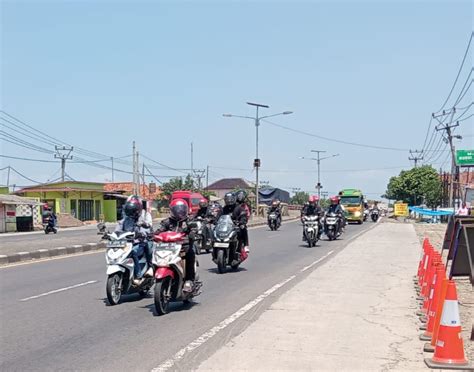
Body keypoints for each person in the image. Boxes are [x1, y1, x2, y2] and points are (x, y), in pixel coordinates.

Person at [157, 198, 196, 292]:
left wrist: (192, 233)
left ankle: (189, 280)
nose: (179, 212)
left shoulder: (188, 221)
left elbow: (194, 230)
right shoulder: (168, 221)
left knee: (190, 254)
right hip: (168, 247)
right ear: (172, 210)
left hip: (184, 246)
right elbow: (160, 230)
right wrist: (153, 234)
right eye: (176, 209)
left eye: (181, 209)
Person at [115, 195, 152, 285]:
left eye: (133, 209)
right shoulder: (125, 220)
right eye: (129, 209)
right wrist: (111, 235)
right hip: (125, 244)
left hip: (138, 244)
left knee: (133, 252)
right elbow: (117, 230)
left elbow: (147, 230)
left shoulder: (142, 219)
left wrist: (141, 233)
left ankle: (138, 275)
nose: (131, 211)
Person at [222, 192, 249, 257]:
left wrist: (242, 221)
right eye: (227, 199)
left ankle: (245, 245)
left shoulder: (238, 207)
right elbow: (219, 215)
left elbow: (243, 215)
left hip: (236, 225)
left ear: (234, 199)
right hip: (226, 226)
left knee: (243, 228)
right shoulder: (224, 208)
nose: (229, 200)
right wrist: (215, 220)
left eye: (230, 199)